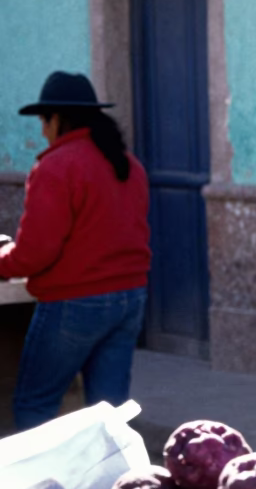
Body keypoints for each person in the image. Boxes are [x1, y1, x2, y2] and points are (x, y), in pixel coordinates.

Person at [1, 71, 151, 430]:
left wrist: (3, 261)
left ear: (57, 119)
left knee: (35, 404)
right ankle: (115, 469)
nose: (42, 131)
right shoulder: (129, 165)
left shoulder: (56, 166)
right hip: (130, 298)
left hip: (74, 303)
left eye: (43, 121)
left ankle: (36, 471)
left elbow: (35, 253)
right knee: (110, 414)